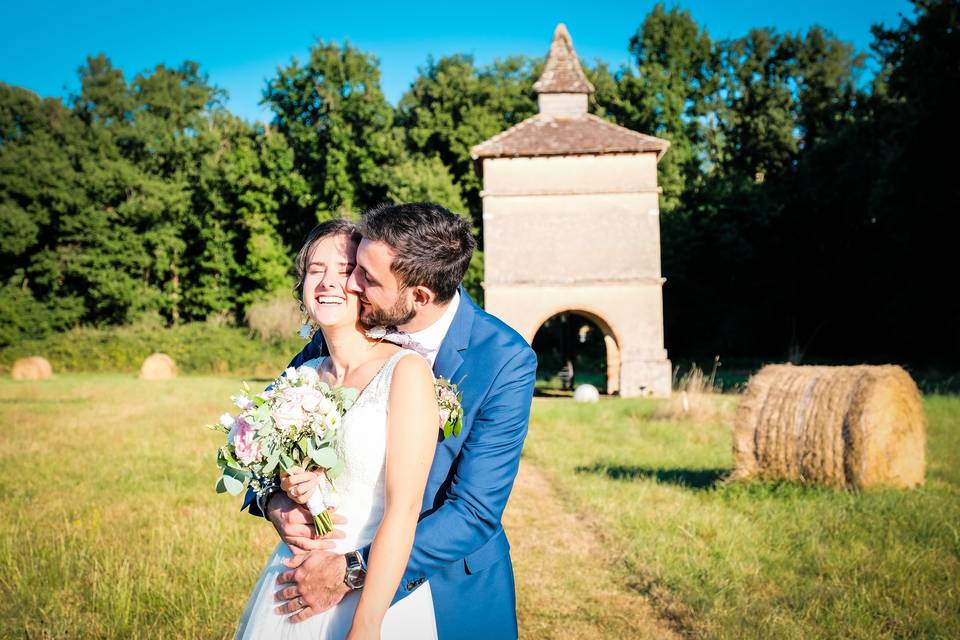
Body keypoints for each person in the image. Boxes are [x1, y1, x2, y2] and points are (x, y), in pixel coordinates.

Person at [244, 202, 538, 639]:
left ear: (418, 295)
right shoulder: (341, 332)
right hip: (318, 566)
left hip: (448, 579)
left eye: (366, 277)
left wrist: (352, 570)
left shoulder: (504, 360)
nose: (350, 284)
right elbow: (263, 434)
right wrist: (275, 503)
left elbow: (474, 510)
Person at [234, 219, 441, 639]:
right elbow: (269, 469)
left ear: (366, 284)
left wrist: (366, 625)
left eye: (345, 270)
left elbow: (403, 512)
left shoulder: (406, 372)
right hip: (294, 581)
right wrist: (283, 492)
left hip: (372, 593)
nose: (328, 281)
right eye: (315, 269)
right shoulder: (303, 377)